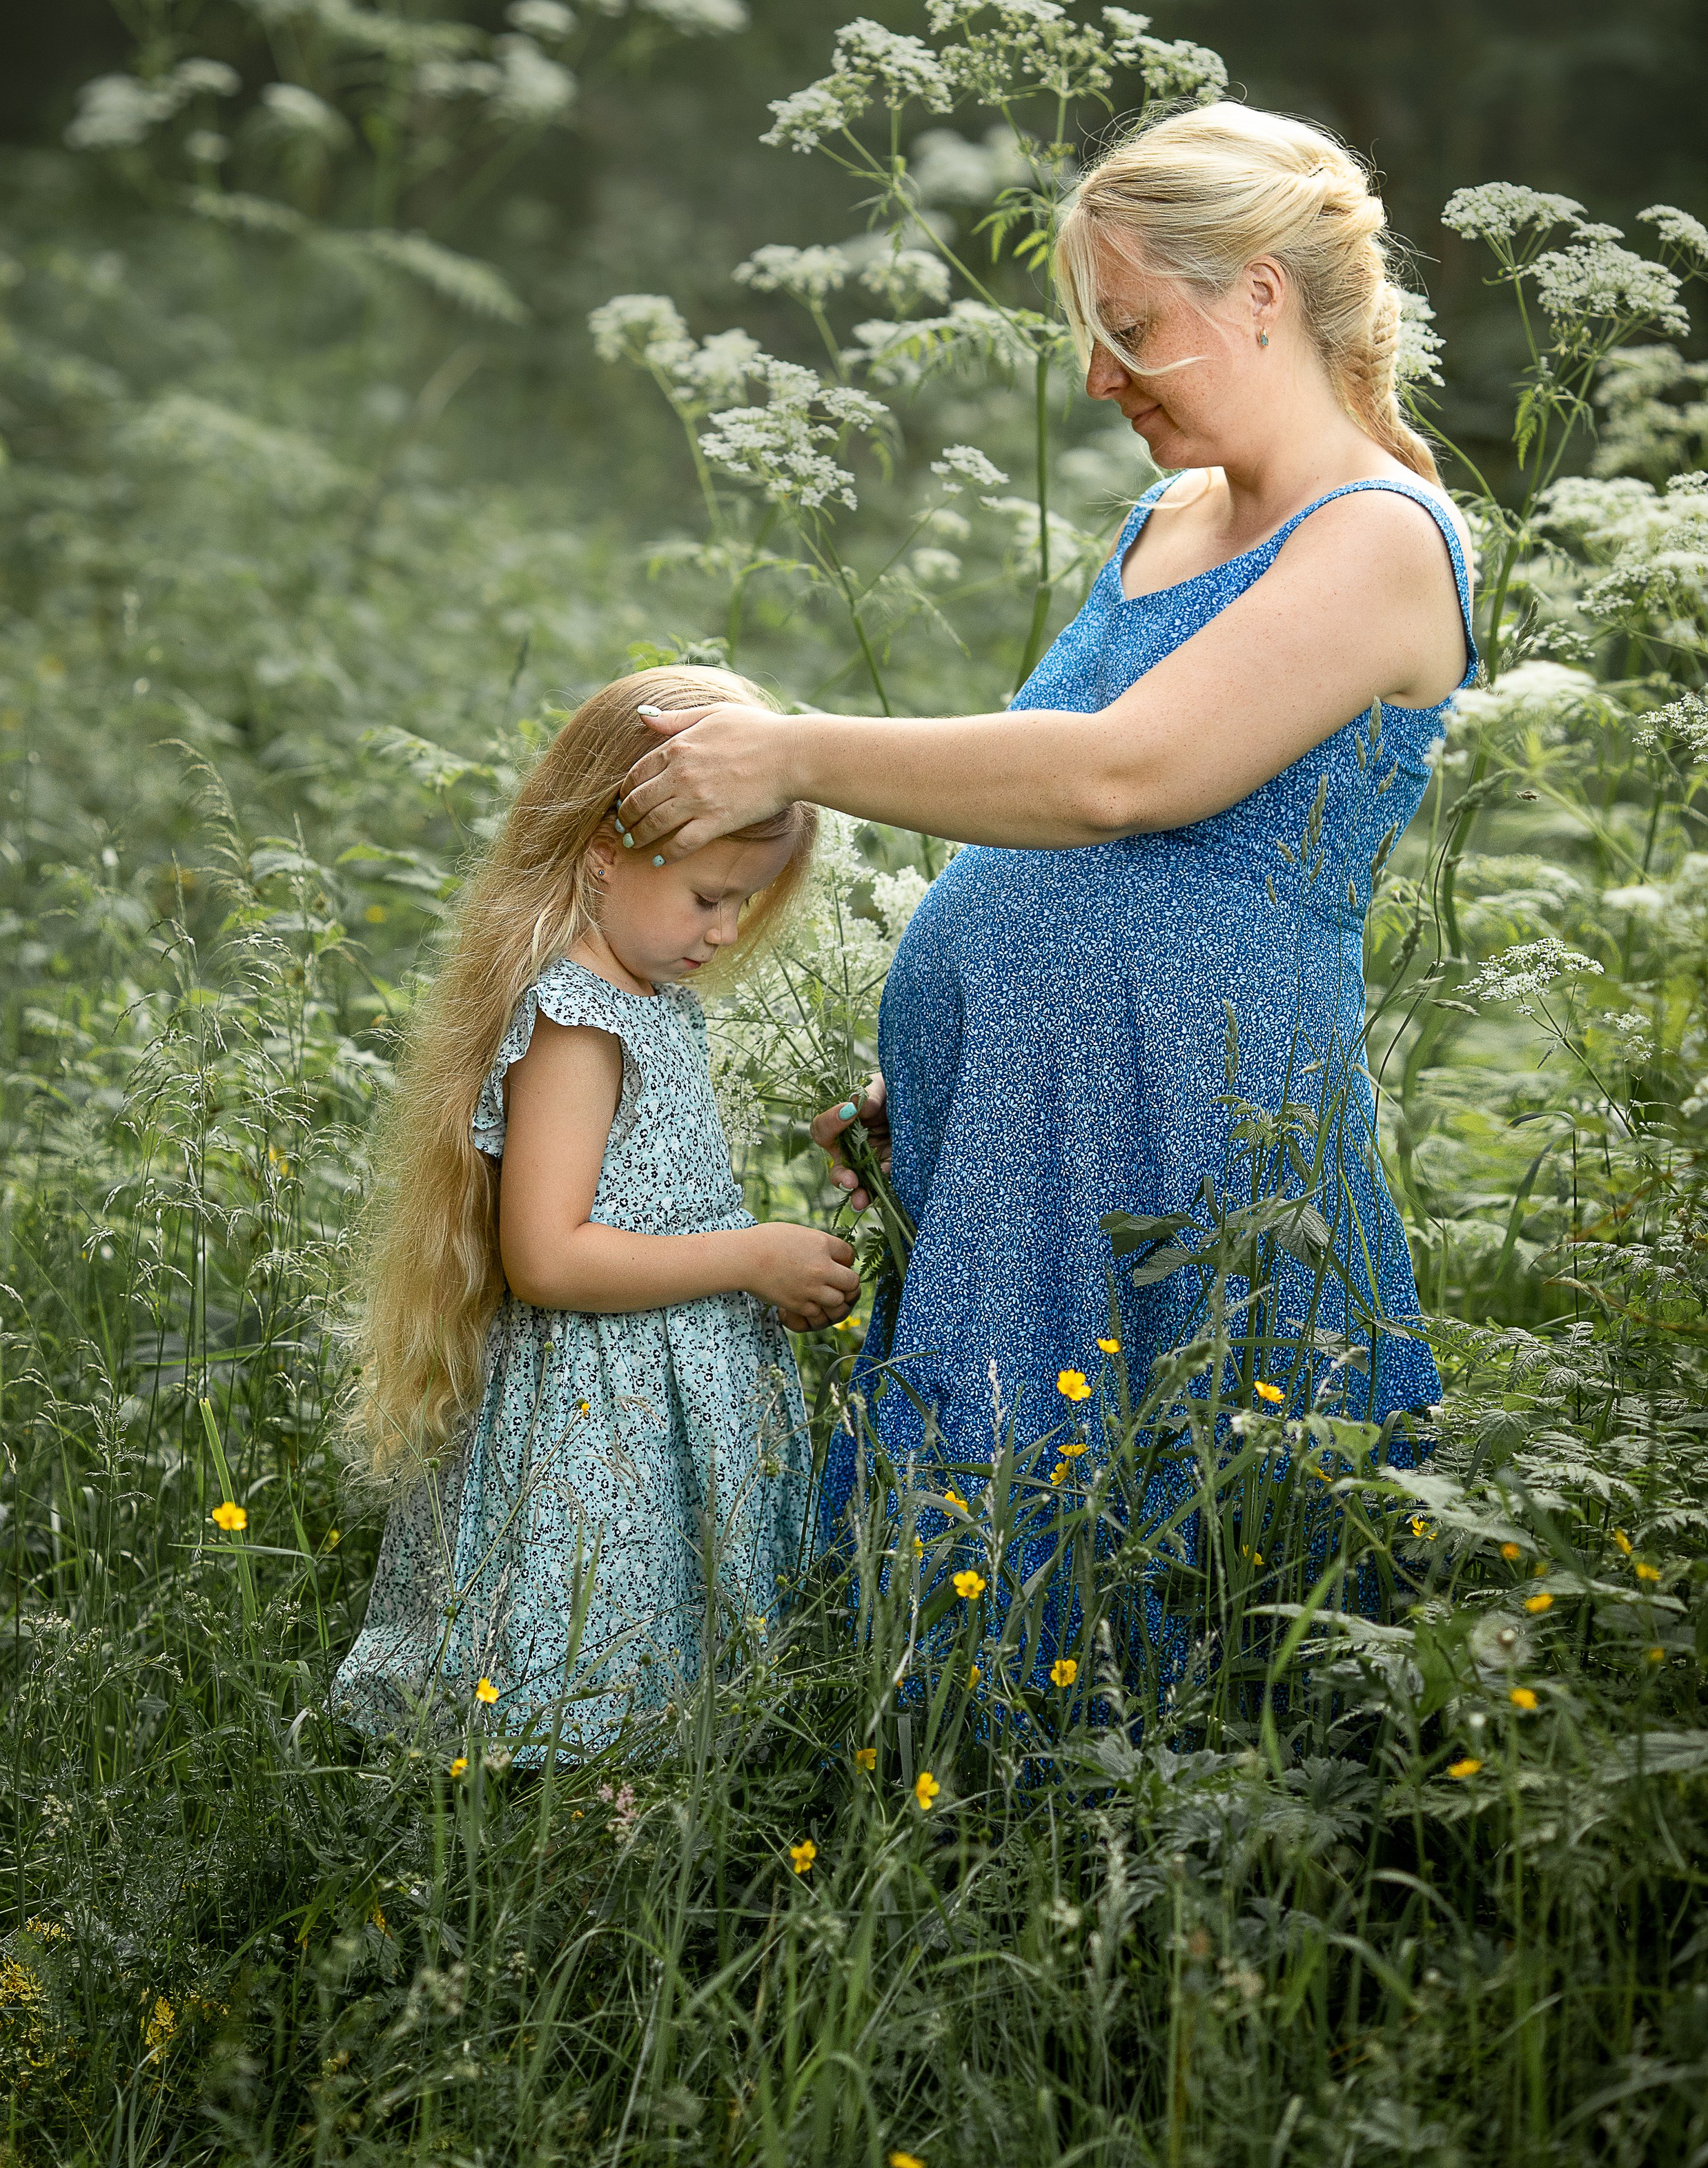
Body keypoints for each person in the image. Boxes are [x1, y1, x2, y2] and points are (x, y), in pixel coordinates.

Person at [615, 102, 1472, 1525]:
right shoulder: (1170, 520)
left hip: (1183, 1117)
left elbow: (1113, 778)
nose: (1092, 376)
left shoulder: (1376, 535)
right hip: (1040, 1110)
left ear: (1258, 293)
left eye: (1129, 327)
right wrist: (973, 1046)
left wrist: (788, 756)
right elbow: (1052, 805)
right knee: (999, 1501)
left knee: (1159, 1519)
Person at [331, 667, 857, 1750]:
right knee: (579, 1680)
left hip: (640, 1405)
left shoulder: (642, 995)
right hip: (590, 1425)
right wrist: (752, 1254)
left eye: (743, 903)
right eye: (708, 897)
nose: (724, 930)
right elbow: (549, 1257)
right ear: (604, 855)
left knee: (650, 1676)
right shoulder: (577, 1018)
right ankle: (568, 1839)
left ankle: (628, 1815)